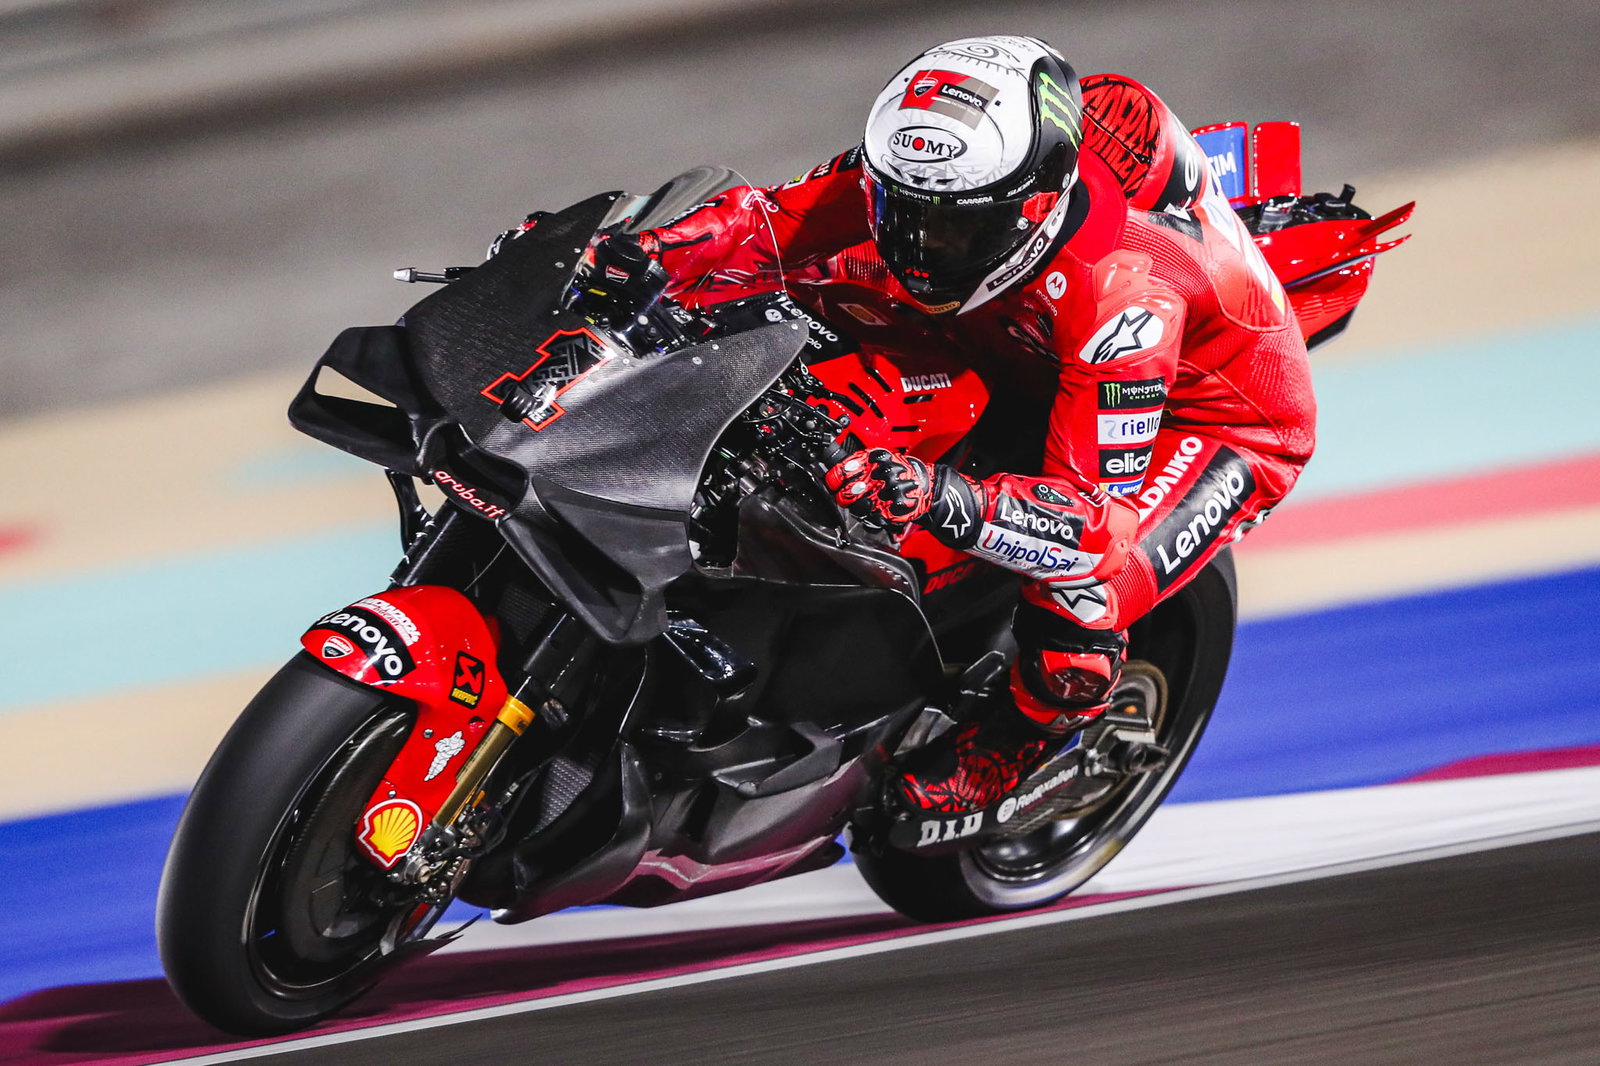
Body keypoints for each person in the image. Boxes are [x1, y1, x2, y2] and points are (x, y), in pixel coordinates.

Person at [508, 35, 1315, 815]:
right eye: (905, 211)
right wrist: (633, 256)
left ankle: (1019, 743)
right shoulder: (943, 175)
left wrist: (939, 495)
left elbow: (1085, 527)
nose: (921, 244)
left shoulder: (1123, 303)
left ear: (1033, 206)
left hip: (1209, 418)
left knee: (1083, 596)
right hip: (1011, 332)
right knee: (774, 304)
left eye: (955, 228)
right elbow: (768, 221)